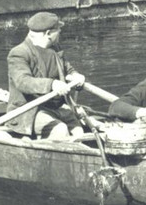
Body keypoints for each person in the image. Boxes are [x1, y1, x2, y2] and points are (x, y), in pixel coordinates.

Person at [6, 11, 86, 139]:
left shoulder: (55, 49)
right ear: (48, 33)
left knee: (80, 132)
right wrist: (52, 84)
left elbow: (68, 69)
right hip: (30, 111)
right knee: (60, 130)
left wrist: (76, 76)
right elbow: (23, 82)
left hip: (57, 107)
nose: (60, 31)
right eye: (58, 29)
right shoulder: (19, 53)